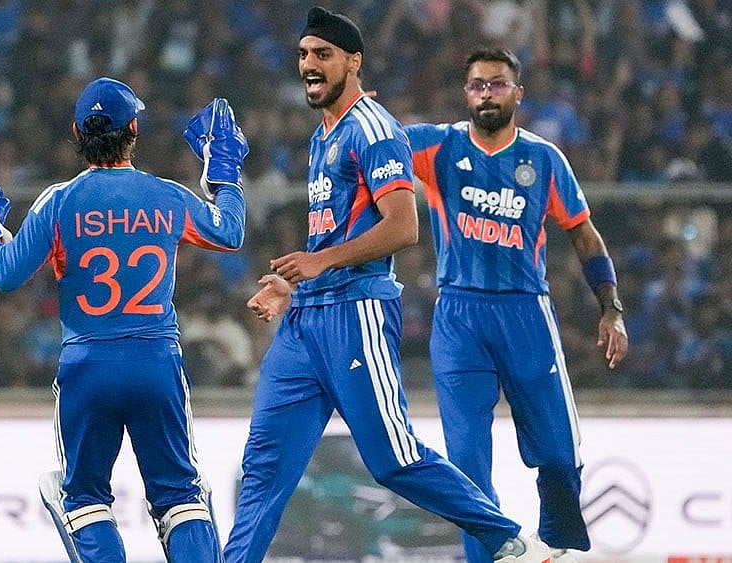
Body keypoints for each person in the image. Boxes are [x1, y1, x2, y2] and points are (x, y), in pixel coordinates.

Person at [229, 7, 551, 563]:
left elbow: (403, 226)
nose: (309, 64)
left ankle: (508, 539)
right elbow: (327, 239)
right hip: (307, 324)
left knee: (392, 458)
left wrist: (321, 262)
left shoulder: (374, 128)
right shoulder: (320, 137)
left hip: (357, 315)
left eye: (322, 55)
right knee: (264, 465)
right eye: (304, 54)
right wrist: (293, 286)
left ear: (353, 62)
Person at [0, 77, 248, 562]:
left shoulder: (59, 202)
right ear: (135, 130)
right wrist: (224, 171)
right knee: (181, 496)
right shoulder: (166, 196)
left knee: (83, 500)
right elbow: (229, 232)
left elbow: (6, 272)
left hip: (87, 366)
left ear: (76, 134)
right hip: (155, 363)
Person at [403, 47, 630, 563]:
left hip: (526, 312)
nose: (487, 94)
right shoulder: (436, 146)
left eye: (498, 84)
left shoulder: (545, 159)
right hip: (459, 317)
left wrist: (611, 307)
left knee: (557, 455)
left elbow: (584, 236)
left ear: (517, 93)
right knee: (466, 464)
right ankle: (489, 557)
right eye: (478, 85)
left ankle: (561, 549)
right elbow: (376, 142)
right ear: (466, 94)